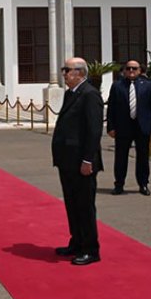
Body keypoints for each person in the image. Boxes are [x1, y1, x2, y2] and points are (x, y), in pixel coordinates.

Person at [51, 58, 103, 266]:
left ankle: (91, 249)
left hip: (82, 162)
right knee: (72, 204)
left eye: (67, 70)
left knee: (84, 206)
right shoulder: (71, 93)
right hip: (67, 161)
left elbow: (93, 131)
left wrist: (87, 160)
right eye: (63, 69)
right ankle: (77, 242)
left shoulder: (90, 94)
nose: (64, 74)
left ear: (80, 73)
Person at [107, 60, 151, 196]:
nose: (131, 71)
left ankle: (143, 184)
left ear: (140, 71)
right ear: (124, 70)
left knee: (143, 158)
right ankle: (119, 184)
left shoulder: (148, 86)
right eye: (128, 68)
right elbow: (111, 108)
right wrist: (110, 127)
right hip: (123, 127)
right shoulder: (117, 86)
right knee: (120, 157)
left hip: (142, 127)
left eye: (134, 68)